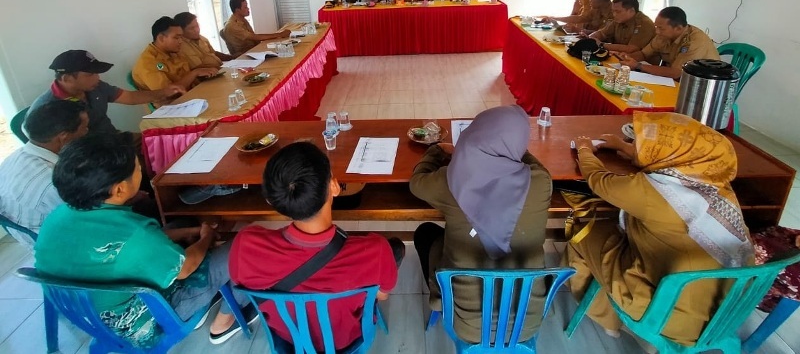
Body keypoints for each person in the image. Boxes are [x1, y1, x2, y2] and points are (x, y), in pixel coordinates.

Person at [35, 135, 257, 346]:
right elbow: (185, 269)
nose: (141, 171)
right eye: (138, 169)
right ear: (119, 189)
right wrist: (206, 238)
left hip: (85, 315)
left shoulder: (58, 216)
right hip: (141, 322)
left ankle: (207, 296)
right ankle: (224, 323)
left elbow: (132, 246)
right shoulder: (135, 233)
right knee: (245, 246)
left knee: (181, 224)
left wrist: (190, 231)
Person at [568, 112, 754, 345]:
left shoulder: (656, 192)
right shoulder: (716, 186)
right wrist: (623, 147)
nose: (639, 145)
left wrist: (585, 149)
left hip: (668, 314)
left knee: (581, 229)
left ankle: (607, 319)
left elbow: (599, 180)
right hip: (724, 316)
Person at [229, 142, 403, 351]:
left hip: (289, 339)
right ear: (334, 187)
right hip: (347, 339)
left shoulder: (245, 246)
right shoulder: (376, 250)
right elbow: (382, 296)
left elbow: (241, 283)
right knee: (396, 250)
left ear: (270, 201)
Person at [410, 105, 551, 343]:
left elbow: (417, 183)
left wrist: (435, 152)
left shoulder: (452, 178)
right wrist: (515, 148)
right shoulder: (541, 182)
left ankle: (438, 298)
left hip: (467, 325)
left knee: (426, 233)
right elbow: (532, 164)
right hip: (527, 325)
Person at [30, 49, 184, 135]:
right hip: (93, 158)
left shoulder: (95, 86)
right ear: (67, 78)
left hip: (114, 139)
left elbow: (130, 97)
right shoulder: (47, 108)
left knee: (161, 139)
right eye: (90, 74)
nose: (97, 78)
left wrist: (164, 92)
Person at [0, 101, 88, 246]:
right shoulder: (54, 182)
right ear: (63, 136)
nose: (87, 131)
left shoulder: (12, 159)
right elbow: (91, 220)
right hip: (64, 246)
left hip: (35, 234)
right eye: (84, 128)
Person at [618, 6, 720, 80]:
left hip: (700, 86)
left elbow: (676, 73)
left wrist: (638, 66)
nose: (657, 32)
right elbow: (644, 54)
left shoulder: (695, 41)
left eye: (661, 28)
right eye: (656, 27)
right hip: (674, 80)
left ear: (678, 28)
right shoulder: (663, 35)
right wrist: (627, 57)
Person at [132, 16, 218, 95]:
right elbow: (168, 93)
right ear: (161, 38)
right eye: (176, 38)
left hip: (192, 93)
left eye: (181, 37)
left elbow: (186, 76)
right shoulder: (148, 63)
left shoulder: (173, 52)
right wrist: (195, 73)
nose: (180, 41)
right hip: (172, 105)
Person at [587, 0, 656, 54]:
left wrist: (602, 45)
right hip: (619, 58)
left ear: (631, 11)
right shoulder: (618, 20)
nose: (614, 14)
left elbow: (631, 49)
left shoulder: (644, 23)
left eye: (618, 11)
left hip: (640, 64)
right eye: (613, 11)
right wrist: (592, 38)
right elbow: (602, 33)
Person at [221, 0, 290, 56]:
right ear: (238, 10)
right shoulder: (232, 25)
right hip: (245, 55)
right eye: (245, 7)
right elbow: (255, 37)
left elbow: (255, 38)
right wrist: (280, 34)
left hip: (255, 50)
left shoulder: (242, 19)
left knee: (282, 48)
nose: (248, 9)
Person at [544, 0, 613, 33]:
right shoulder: (596, 10)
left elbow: (603, 33)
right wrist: (555, 19)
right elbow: (580, 18)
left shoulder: (613, 13)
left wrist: (577, 30)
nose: (589, 0)